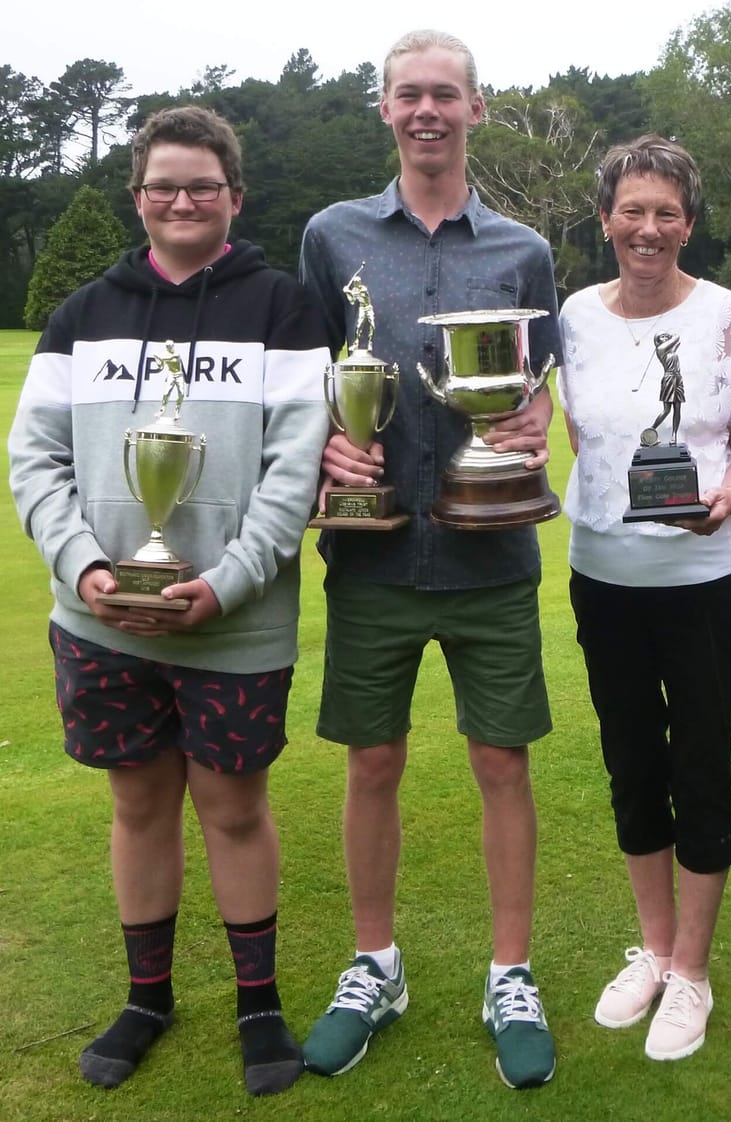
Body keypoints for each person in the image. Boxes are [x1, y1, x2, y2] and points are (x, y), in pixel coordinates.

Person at [8, 106, 330, 1094]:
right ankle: (148, 996)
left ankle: (258, 1006)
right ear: (138, 198)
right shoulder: (82, 313)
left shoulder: (284, 307)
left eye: (200, 186)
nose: (180, 201)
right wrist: (84, 569)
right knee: (138, 802)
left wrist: (225, 583)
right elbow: (35, 456)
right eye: (161, 186)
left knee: (234, 809)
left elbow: (296, 466)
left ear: (234, 197)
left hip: (235, 623)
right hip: (101, 618)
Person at [297, 29, 561, 1090]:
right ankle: (376, 965)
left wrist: (535, 425)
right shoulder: (331, 237)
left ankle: (511, 973)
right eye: (409, 95)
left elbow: (536, 388)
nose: (427, 112)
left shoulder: (524, 250)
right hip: (375, 554)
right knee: (373, 761)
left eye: (445, 95)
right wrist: (327, 435)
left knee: (502, 763)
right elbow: (307, 375)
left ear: (476, 110)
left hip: (490, 556)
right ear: (384, 109)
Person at [558, 135, 731, 1062]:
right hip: (604, 582)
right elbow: (571, 436)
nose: (650, 229)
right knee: (631, 761)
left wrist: (726, 495)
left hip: (704, 584)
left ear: (689, 222)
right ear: (605, 218)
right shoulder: (570, 316)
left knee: (702, 767)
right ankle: (648, 948)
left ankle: (692, 970)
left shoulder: (727, 315)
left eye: (667, 213)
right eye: (632, 211)